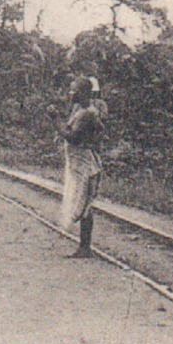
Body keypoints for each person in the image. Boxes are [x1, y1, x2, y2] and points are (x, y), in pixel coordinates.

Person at [59, 76, 106, 258]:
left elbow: (71, 136)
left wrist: (55, 119)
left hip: (84, 162)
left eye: (74, 90)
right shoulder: (78, 109)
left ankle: (85, 247)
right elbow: (100, 129)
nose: (71, 93)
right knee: (81, 200)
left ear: (85, 93)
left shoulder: (87, 112)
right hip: (77, 161)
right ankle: (83, 245)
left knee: (84, 202)